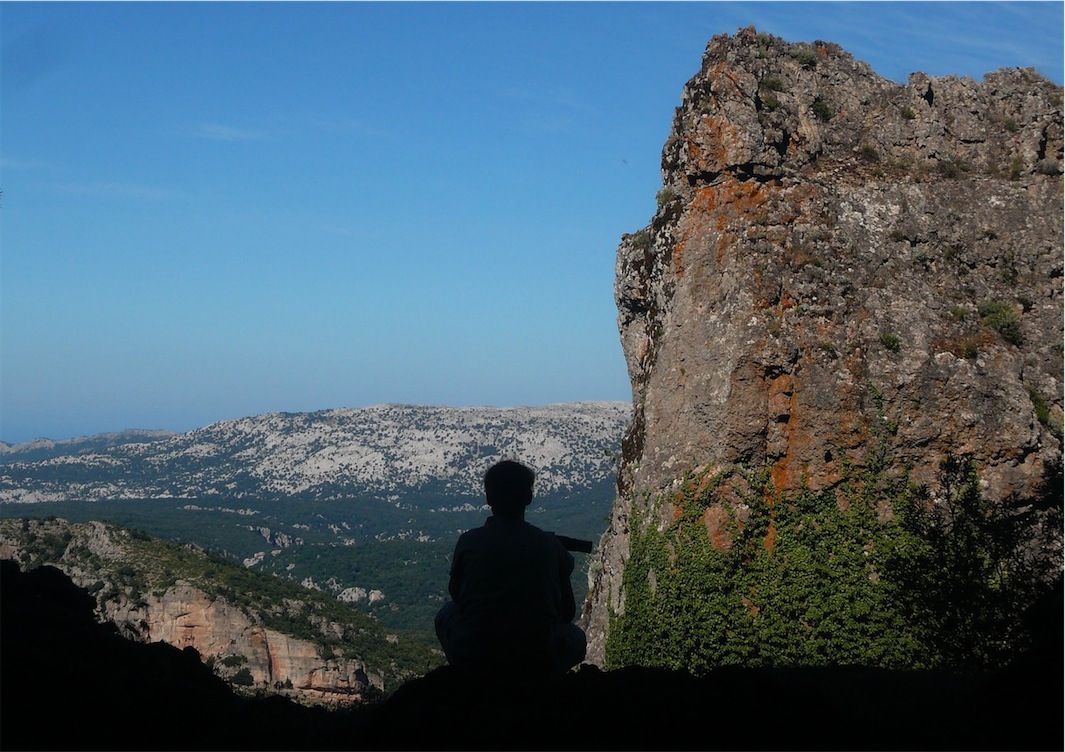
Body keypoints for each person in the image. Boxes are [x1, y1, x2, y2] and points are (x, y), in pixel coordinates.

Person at [434, 459, 587, 679]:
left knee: (445, 613)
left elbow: (457, 594)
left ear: (488, 498)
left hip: (478, 655)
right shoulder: (550, 545)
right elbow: (567, 611)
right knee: (576, 636)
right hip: (537, 658)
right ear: (528, 497)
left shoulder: (469, 541)